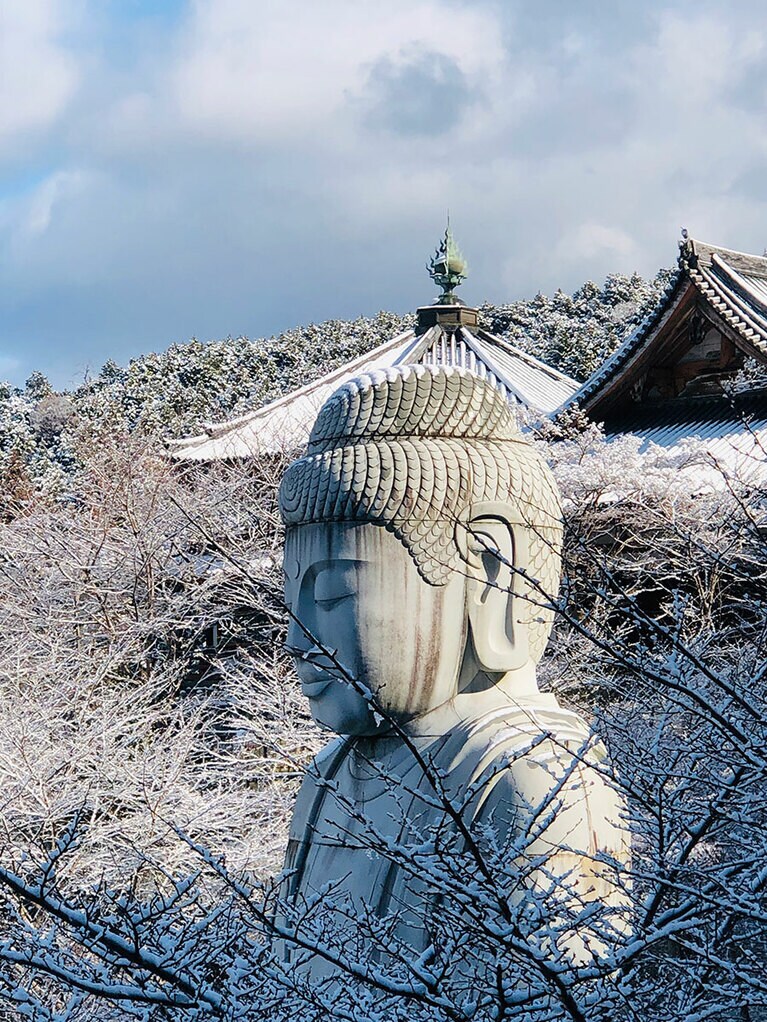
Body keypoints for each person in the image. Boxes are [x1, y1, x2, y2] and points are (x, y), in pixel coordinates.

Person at [275, 364, 629, 983]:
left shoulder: (534, 777)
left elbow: (559, 997)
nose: (298, 641)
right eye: (291, 604)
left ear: (491, 574)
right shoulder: (328, 773)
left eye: (332, 594)